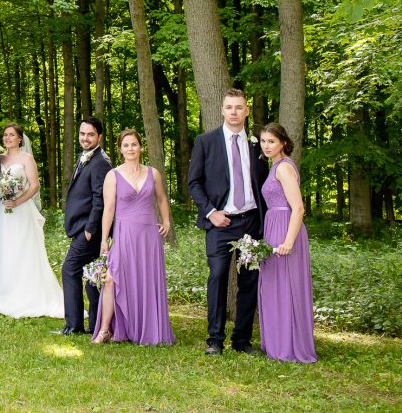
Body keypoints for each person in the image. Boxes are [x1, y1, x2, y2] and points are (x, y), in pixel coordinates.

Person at [188, 88, 269, 355]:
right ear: (222, 110)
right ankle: (215, 339)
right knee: (218, 276)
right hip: (220, 223)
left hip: (250, 222)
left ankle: (242, 340)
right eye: (229, 107)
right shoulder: (206, 141)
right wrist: (211, 212)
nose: (234, 112)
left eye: (239, 107)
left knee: (249, 280)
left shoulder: (258, 145)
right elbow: (194, 183)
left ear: (246, 111)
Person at [92, 129, 175, 345]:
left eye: (134, 144)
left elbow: (162, 199)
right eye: (126, 145)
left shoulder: (153, 173)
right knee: (111, 279)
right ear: (120, 149)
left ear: (141, 147)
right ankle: (104, 330)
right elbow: (108, 209)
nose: (130, 148)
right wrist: (104, 239)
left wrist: (166, 221)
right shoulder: (113, 175)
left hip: (149, 236)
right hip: (124, 234)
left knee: (145, 281)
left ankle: (145, 328)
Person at [0, 123, 63, 319]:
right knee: (5, 248)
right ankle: (5, 290)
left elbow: (34, 186)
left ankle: (27, 293)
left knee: (22, 248)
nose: (7, 138)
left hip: (21, 210)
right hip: (2, 211)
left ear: (20, 138)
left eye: (12, 135)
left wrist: (16, 201)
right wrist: (0, 193)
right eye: (5, 135)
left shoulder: (27, 158)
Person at [257, 122, 317, 363]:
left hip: (285, 230)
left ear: (283, 142)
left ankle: (289, 346)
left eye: (271, 141)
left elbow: (299, 208)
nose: (266, 145)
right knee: (275, 286)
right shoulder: (275, 166)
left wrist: (289, 241)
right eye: (263, 141)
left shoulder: (283, 168)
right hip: (274, 227)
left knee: (286, 287)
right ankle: (278, 342)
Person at [59, 117, 111, 336]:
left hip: (89, 229)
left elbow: (101, 199)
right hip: (82, 226)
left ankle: (74, 325)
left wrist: (90, 229)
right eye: (82, 134)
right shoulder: (85, 156)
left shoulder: (100, 162)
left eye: (90, 134)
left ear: (99, 136)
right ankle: (95, 323)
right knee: (92, 276)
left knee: (69, 269)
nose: (85, 138)